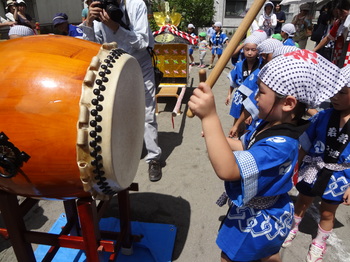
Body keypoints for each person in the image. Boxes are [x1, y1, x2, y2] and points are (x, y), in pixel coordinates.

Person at [188, 49, 346, 262]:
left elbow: (228, 169)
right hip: (270, 210)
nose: (254, 96)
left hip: (258, 218)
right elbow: (243, 145)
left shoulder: (281, 145)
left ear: (288, 103)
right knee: (269, 255)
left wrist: (209, 117)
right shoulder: (268, 125)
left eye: (261, 92)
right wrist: (216, 136)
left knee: (230, 256)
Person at [81, 0, 163, 182]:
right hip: (114, 66)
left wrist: (115, 27)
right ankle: (124, 154)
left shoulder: (135, 5)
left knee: (147, 111)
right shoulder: (98, 10)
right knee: (117, 112)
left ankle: (153, 157)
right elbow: (93, 47)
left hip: (141, 64)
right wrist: (88, 23)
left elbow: (142, 42)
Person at [282, 64, 350, 262]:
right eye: (333, 92)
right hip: (313, 167)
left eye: (342, 92)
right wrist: (295, 167)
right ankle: (293, 227)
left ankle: (320, 242)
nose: (335, 97)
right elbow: (305, 144)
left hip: (340, 175)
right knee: (302, 200)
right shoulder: (322, 116)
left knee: (328, 212)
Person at [226, 34, 262, 138]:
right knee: (237, 120)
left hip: (254, 98)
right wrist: (229, 94)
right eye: (247, 49)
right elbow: (233, 81)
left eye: (253, 50)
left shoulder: (261, 66)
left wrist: (251, 112)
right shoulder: (239, 65)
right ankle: (236, 137)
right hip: (240, 96)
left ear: (258, 51)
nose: (250, 53)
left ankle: (245, 143)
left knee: (249, 126)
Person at [314, 0, 350, 68]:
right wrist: (314, 50)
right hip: (340, 54)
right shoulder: (339, 23)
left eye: (337, 13)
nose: (336, 17)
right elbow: (328, 38)